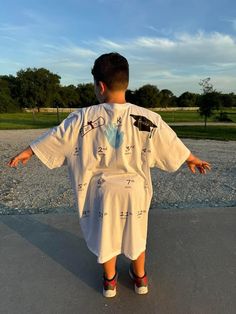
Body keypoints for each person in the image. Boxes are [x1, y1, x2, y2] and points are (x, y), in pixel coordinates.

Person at [8, 52, 211, 298]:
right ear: (125, 82)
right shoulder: (147, 118)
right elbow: (169, 143)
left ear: (100, 86)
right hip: (135, 190)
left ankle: (110, 281)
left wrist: (29, 152)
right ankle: (140, 278)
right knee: (136, 234)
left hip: (102, 192)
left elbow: (55, 137)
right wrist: (191, 159)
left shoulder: (82, 118)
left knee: (107, 234)